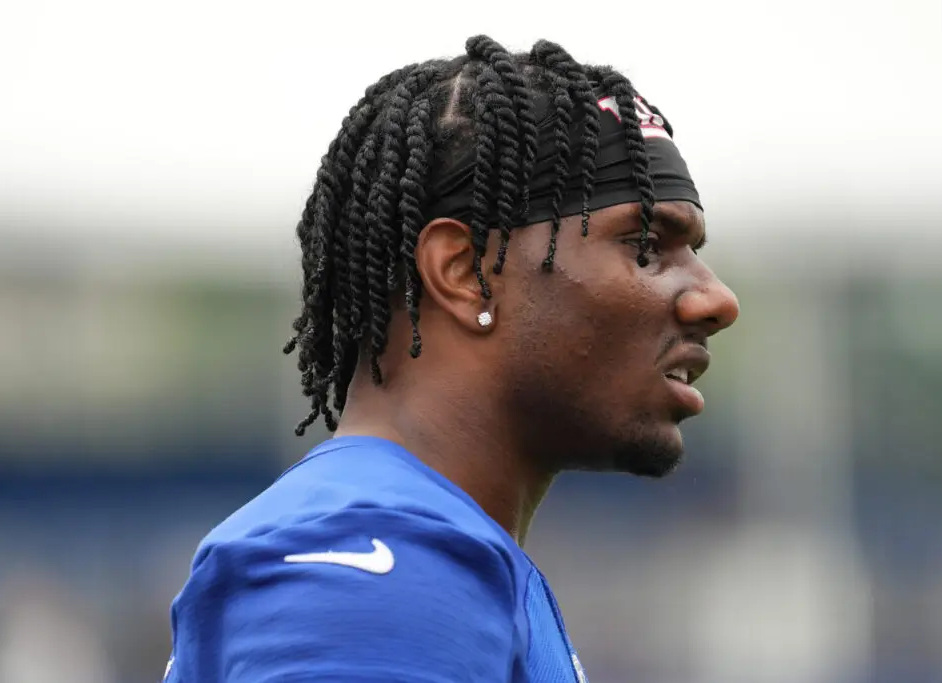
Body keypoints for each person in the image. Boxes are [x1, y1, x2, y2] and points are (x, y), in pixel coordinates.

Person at [164, 35, 739, 683]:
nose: (716, 299)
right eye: (645, 245)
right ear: (465, 272)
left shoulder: (430, 553)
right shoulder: (371, 564)